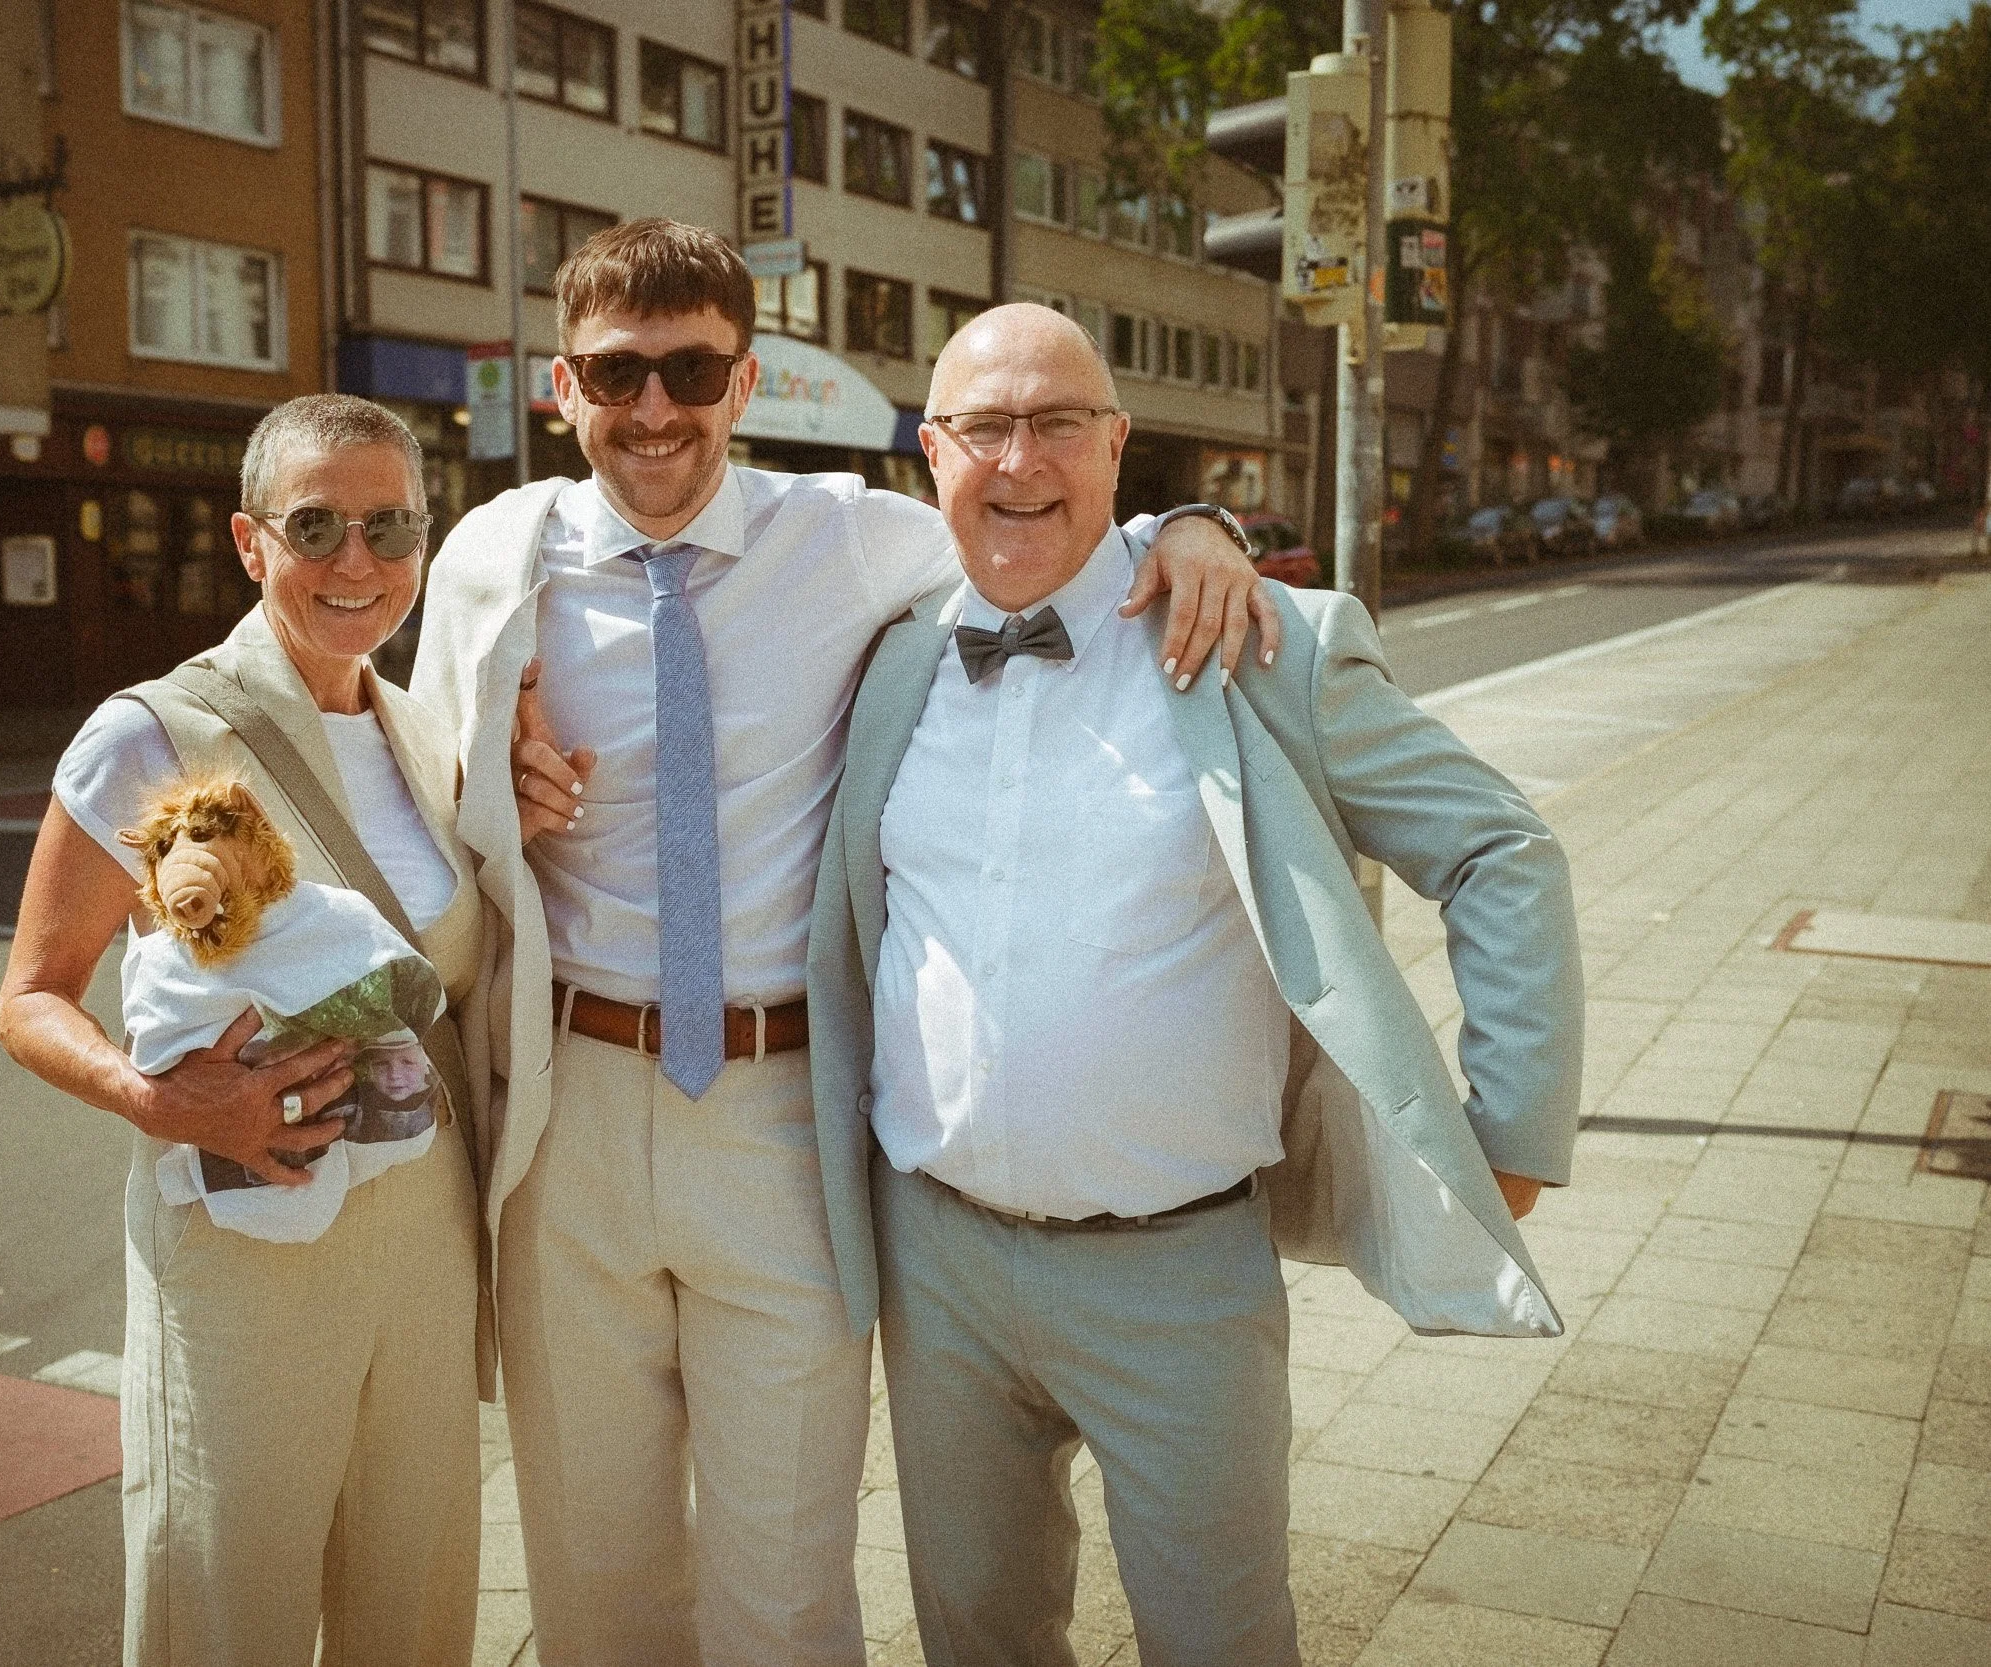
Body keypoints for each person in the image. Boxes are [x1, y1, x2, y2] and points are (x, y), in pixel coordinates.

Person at [406, 219, 1273, 1667]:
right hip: (569, 1114)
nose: (656, 411)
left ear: (744, 383)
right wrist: (482, 746)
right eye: (620, 375)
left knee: (787, 1582)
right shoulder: (499, 554)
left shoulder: (862, 536)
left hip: (780, 1124)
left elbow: (1035, 511)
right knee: (593, 1576)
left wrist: (1200, 528)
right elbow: (409, 754)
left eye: (693, 371)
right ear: (564, 386)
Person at [803, 303, 1583, 1665]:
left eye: (1058, 421)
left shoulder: (1254, 641)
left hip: (1178, 1268)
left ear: (1117, 444)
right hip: (940, 1259)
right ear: (931, 451)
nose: (1019, 457)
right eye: (984, 425)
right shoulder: (891, 657)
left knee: (1217, 1638)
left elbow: (1499, 847)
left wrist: (1512, 1121)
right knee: (973, 1630)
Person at [0, 395, 489, 1667]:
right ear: (250, 542)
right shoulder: (153, 729)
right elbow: (31, 995)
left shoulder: (425, 732)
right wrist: (156, 1098)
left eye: (391, 526)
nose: (357, 562)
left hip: (425, 1233)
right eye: (315, 523)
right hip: (239, 1240)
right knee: (226, 1609)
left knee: (416, 1604)